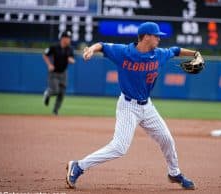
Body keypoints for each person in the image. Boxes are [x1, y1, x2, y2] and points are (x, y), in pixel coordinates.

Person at [66, 22, 203, 190]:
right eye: (156, 35)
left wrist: (195, 53)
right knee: (119, 148)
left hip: (147, 106)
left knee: (167, 139)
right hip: (128, 106)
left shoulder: (159, 54)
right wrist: (91, 50)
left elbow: (175, 50)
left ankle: (174, 173)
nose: (159, 38)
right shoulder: (124, 52)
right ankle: (78, 166)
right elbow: (102, 45)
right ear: (146, 37)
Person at [42, 31, 75, 115]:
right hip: (54, 73)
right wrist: (49, 65)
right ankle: (47, 93)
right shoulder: (54, 47)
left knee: (62, 93)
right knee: (55, 90)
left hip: (63, 73)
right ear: (63, 38)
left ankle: (55, 111)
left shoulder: (70, 48)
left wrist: (71, 60)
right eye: (68, 38)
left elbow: (72, 59)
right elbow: (45, 55)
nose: (69, 40)